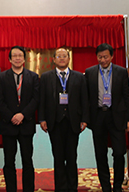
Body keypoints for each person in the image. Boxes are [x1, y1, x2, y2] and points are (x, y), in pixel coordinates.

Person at [38, 47, 89, 192]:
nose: (61, 58)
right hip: (54, 122)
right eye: (59, 56)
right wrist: (42, 119)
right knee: (58, 157)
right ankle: (60, 188)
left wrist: (85, 119)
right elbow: (42, 100)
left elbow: (84, 100)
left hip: (73, 122)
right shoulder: (46, 77)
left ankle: (72, 188)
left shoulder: (79, 77)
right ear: (53, 59)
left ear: (69, 58)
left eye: (64, 56)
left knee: (72, 157)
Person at [84, 43, 129, 192]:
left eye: (105, 57)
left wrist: (128, 119)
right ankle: (105, 186)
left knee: (119, 152)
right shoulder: (90, 72)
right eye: (100, 57)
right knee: (100, 153)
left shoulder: (121, 72)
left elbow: (127, 96)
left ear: (111, 56)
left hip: (116, 116)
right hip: (98, 116)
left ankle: (117, 186)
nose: (103, 60)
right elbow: (86, 98)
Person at [0, 46, 40, 192]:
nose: (17, 58)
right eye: (14, 56)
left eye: (20, 55)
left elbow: (35, 99)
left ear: (24, 59)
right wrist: (11, 116)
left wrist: (23, 115)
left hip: (26, 124)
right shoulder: (1, 77)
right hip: (8, 125)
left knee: (27, 161)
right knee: (9, 161)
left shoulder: (33, 77)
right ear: (9, 59)